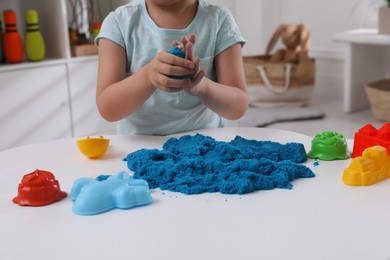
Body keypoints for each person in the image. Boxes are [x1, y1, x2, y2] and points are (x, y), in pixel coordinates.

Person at [95, 0, 248, 135]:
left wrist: (202, 87)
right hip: (141, 147)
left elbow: (238, 107)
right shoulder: (118, 22)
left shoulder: (219, 19)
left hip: (205, 147)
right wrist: (148, 76)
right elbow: (108, 109)